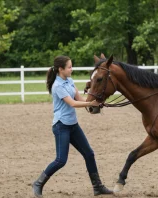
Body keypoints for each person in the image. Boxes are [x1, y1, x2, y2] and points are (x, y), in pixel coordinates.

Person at [32, 55, 113, 197]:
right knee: (61, 160)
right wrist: (90, 104)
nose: (71, 69)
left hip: (73, 125)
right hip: (61, 126)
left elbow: (80, 99)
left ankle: (97, 187)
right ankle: (38, 183)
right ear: (60, 69)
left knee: (89, 154)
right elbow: (73, 103)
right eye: (69, 67)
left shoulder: (69, 81)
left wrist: (94, 103)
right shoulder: (57, 86)